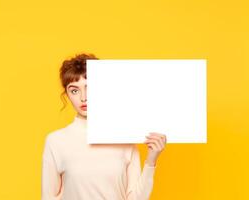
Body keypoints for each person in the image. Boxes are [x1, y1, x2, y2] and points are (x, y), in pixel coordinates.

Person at [41, 53, 167, 200]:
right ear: (67, 95)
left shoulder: (124, 139)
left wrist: (151, 160)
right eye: (74, 90)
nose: (83, 97)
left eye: (90, 87)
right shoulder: (56, 141)